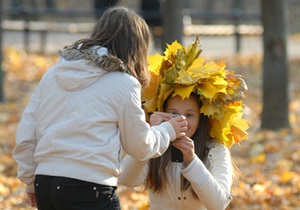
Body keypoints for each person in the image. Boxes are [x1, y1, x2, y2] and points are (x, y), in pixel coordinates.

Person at [12, 6, 188, 210]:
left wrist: (30, 181)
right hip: (89, 186)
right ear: (137, 48)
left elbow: (27, 133)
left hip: (46, 183)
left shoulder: (53, 74)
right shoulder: (125, 83)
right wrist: (167, 130)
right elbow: (140, 146)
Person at [118, 38, 249, 210]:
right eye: (173, 114)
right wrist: (150, 137)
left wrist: (192, 161)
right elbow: (126, 179)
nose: (181, 120)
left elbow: (219, 203)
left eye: (190, 115)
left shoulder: (215, 150)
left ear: (201, 118)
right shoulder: (156, 144)